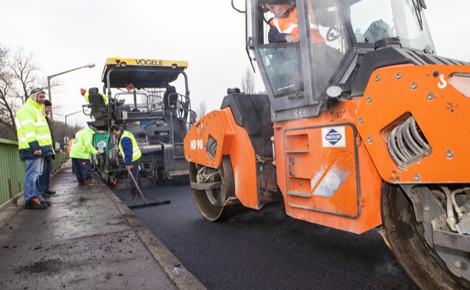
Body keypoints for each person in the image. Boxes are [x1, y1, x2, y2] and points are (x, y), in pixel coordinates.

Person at [15, 88, 54, 209]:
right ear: (33, 97)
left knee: (36, 173)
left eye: (43, 97)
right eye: (40, 97)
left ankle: (37, 197)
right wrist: (34, 147)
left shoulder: (37, 110)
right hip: (32, 147)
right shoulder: (27, 110)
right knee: (32, 174)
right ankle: (30, 199)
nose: (42, 99)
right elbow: (29, 130)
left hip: (39, 147)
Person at [110, 125, 142, 198]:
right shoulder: (125, 133)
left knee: (132, 176)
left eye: (115, 133)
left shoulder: (124, 138)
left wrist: (127, 163)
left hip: (132, 159)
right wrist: (119, 151)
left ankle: (134, 193)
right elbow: (122, 146)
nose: (114, 135)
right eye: (113, 134)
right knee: (136, 175)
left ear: (118, 130)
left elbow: (128, 152)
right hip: (135, 157)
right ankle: (138, 190)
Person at [38, 99, 56, 196]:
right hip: (42, 149)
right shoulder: (41, 118)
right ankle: (41, 190)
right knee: (42, 171)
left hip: (48, 149)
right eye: (48, 108)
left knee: (47, 170)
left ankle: (45, 188)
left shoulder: (47, 119)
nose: (49, 110)